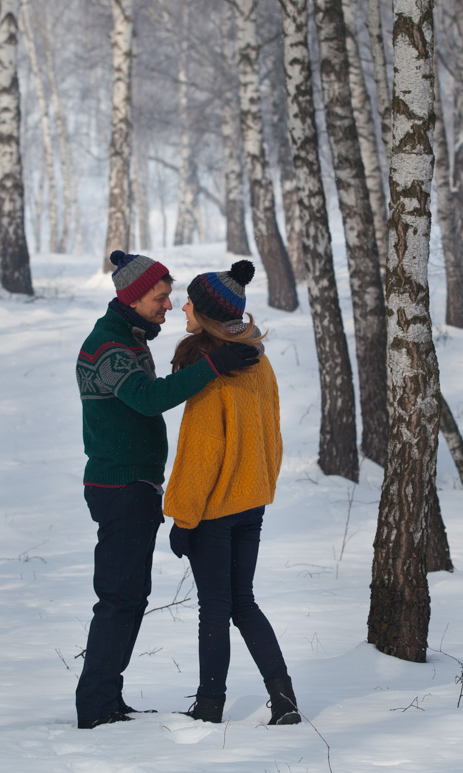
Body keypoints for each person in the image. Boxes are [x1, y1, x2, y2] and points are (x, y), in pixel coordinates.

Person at [74, 250, 260, 729]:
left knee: (130, 596)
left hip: (134, 485)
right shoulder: (109, 346)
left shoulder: (130, 339)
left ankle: (106, 698)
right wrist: (213, 364)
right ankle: (95, 705)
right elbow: (146, 399)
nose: (169, 305)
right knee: (119, 597)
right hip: (120, 485)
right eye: (160, 297)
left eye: (170, 295)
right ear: (133, 298)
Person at [163, 260, 300, 726]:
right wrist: (260, 487)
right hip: (250, 503)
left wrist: (183, 520)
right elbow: (272, 435)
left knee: (215, 610)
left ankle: (209, 705)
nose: (182, 307)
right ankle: (284, 698)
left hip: (214, 510)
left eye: (189, 302)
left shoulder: (213, 373)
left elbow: (200, 455)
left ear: (207, 315)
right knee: (243, 602)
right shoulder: (258, 360)